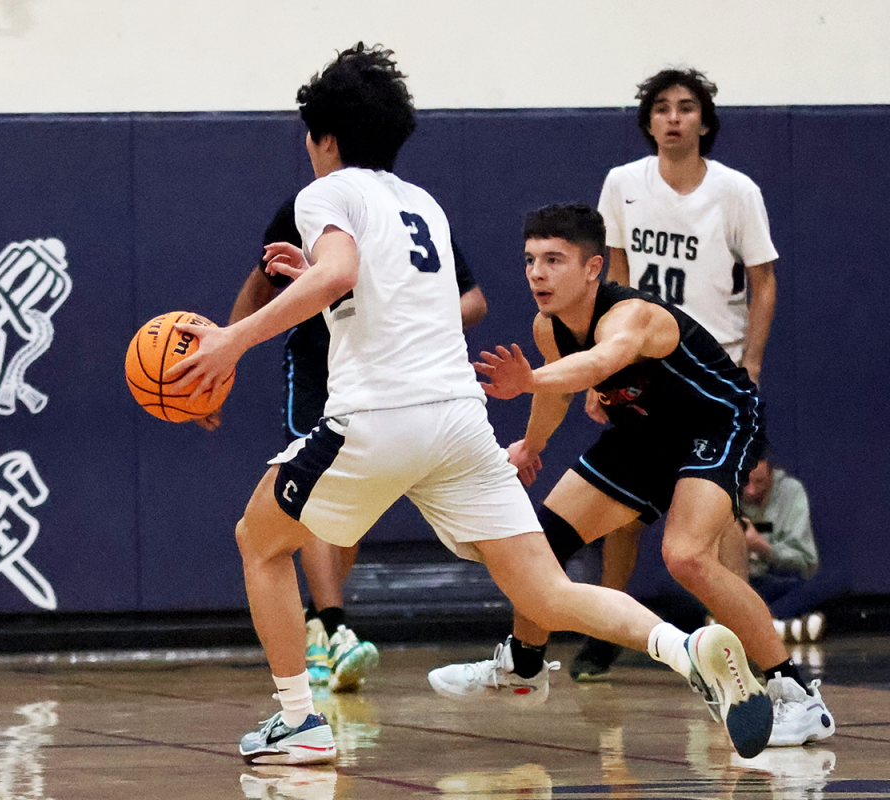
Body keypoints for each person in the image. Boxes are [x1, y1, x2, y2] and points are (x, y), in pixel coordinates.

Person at [168, 44, 772, 766]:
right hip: (459, 425)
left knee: (258, 540)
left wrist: (234, 340)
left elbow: (338, 273)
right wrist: (323, 281)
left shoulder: (321, 194)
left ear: (324, 140)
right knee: (545, 592)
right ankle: (686, 647)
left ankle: (297, 720)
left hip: (377, 421)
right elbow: (377, 289)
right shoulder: (420, 201)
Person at [429, 204, 830, 750]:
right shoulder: (548, 327)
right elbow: (560, 393)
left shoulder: (632, 317)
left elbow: (599, 365)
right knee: (538, 546)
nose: (537, 274)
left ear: (594, 268)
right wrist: (530, 445)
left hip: (717, 424)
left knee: (686, 556)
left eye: (553, 260)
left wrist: (529, 381)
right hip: (643, 435)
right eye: (529, 261)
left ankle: (798, 696)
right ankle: (522, 668)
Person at [208, 196, 487, 691]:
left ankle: (318, 624)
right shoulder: (303, 207)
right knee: (309, 497)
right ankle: (336, 627)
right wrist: (225, 354)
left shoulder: (406, 211)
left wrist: (401, 314)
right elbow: (260, 282)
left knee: (345, 517)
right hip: (319, 366)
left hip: (384, 373)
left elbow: (473, 301)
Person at [572, 68, 780, 682]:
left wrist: (754, 361)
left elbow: (764, 281)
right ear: (649, 121)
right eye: (661, 108)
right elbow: (609, 276)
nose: (673, 118)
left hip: (713, 370)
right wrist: (598, 370)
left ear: (704, 121)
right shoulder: (622, 184)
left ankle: (739, 640)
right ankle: (611, 632)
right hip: (642, 362)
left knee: (719, 513)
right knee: (623, 506)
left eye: (685, 108)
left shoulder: (737, 191)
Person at [740, 457, 827, 643]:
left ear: (771, 475)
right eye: (745, 481)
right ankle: (779, 628)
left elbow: (806, 562)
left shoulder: (790, 491)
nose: (751, 490)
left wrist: (762, 547)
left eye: (759, 482)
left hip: (768, 584)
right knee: (672, 583)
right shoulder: (721, 491)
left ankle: (740, 626)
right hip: (728, 584)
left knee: (823, 585)